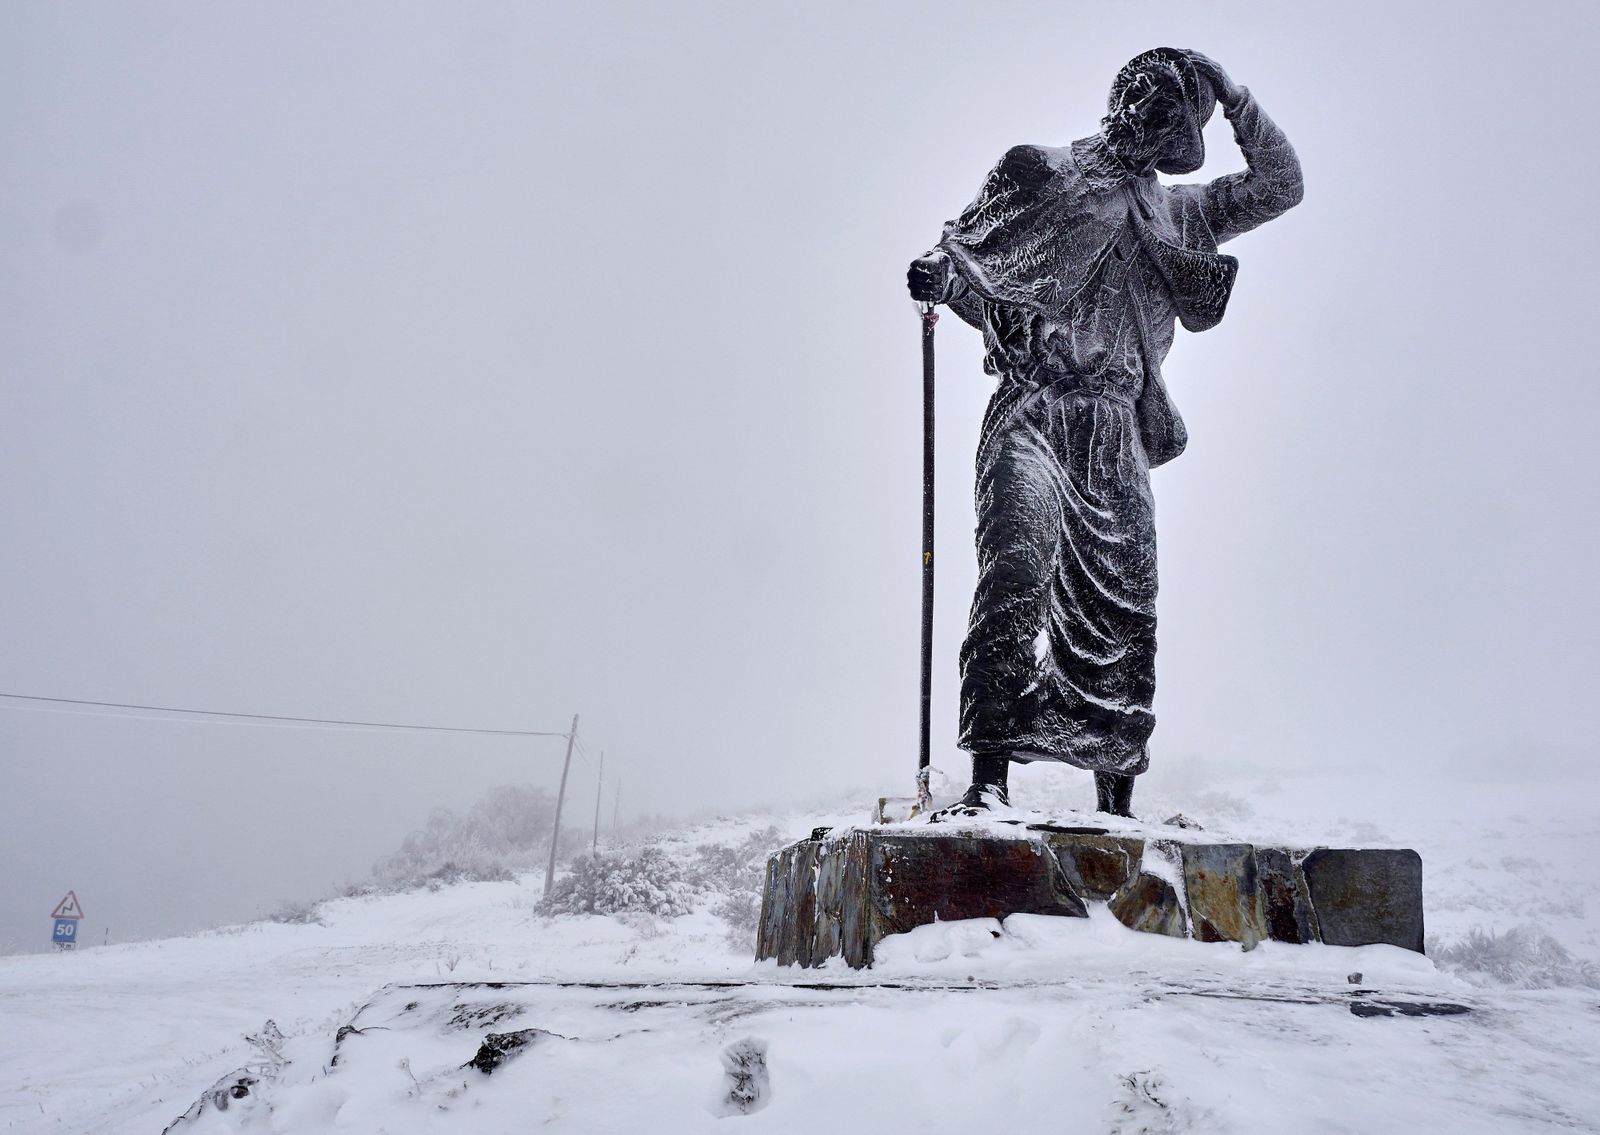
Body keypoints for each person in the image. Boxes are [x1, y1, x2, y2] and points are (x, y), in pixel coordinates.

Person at [907, 49, 1302, 817]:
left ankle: (1114, 802)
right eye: (1149, 99)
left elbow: (1281, 185)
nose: (1155, 118)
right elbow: (972, 255)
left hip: (1116, 426)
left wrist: (1234, 95)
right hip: (1035, 405)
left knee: (1123, 608)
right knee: (1016, 572)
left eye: (1176, 112)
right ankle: (988, 782)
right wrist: (940, 277)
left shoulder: (1182, 214)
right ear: (1125, 98)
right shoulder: (1040, 172)